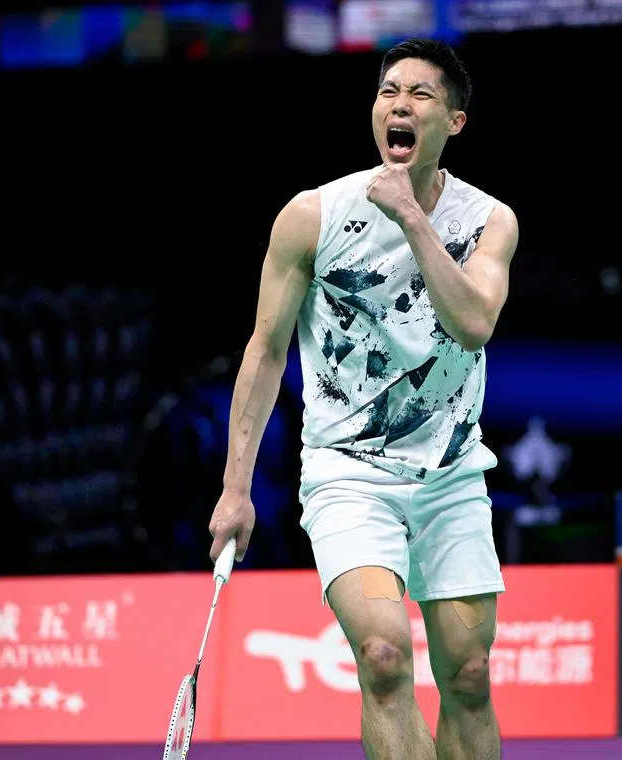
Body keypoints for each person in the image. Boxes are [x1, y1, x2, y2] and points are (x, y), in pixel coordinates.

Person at [207, 37, 519, 760]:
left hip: (451, 477)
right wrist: (235, 489)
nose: (398, 105)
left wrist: (412, 218)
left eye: (420, 95)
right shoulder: (313, 216)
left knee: (468, 674)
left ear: (455, 122)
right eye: (388, 92)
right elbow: (264, 350)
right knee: (384, 656)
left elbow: (472, 324)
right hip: (349, 474)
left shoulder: (489, 221)